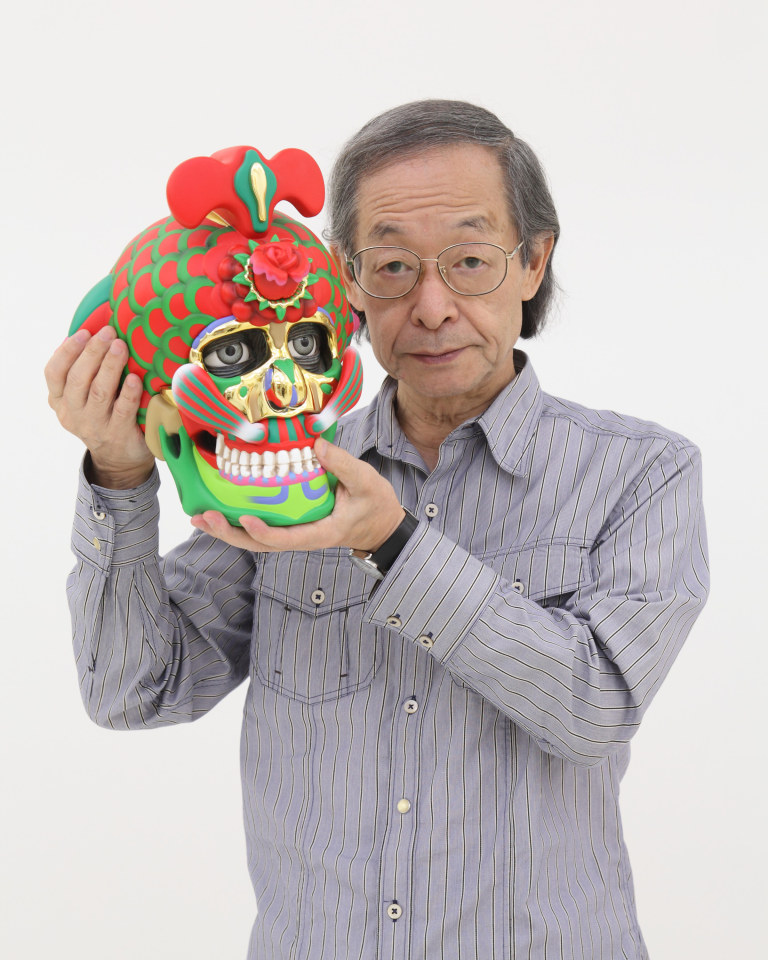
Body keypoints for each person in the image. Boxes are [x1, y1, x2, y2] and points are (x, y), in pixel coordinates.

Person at [46, 100, 709, 960]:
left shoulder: (642, 472)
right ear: (347, 282)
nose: (431, 307)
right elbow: (133, 691)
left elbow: (594, 709)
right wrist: (120, 473)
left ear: (533, 260)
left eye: (470, 261)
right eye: (392, 266)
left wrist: (391, 545)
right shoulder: (285, 473)